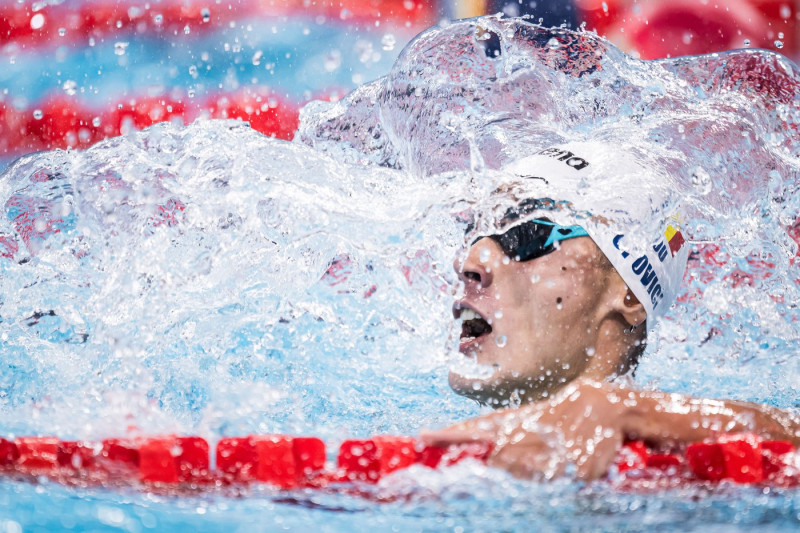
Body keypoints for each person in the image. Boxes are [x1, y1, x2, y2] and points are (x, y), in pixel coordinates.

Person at [422, 140, 800, 480]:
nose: (468, 261)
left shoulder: (681, 479)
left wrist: (637, 413)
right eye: (473, 232)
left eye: (527, 234)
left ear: (631, 296)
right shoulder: (432, 464)